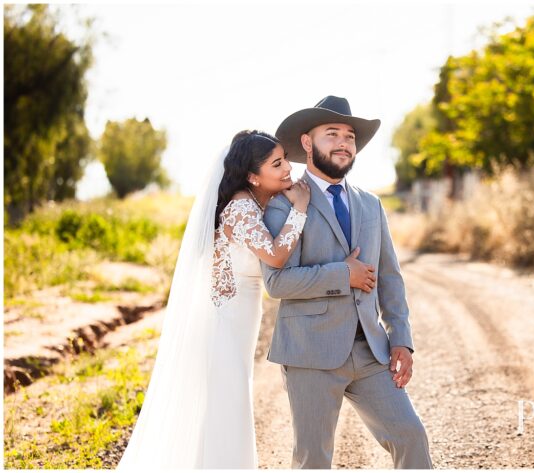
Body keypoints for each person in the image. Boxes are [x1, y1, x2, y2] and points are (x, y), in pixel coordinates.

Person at [118, 130, 312, 468]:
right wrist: (301, 208)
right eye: (276, 163)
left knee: (225, 405)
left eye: (285, 160)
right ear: (253, 176)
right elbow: (276, 256)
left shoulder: (252, 203)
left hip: (238, 322)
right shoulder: (240, 207)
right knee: (228, 405)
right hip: (223, 324)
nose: (287, 169)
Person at [262, 95, 432, 469]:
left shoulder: (371, 204)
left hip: (371, 352)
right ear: (307, 143)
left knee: (410, 436)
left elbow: (390, 277)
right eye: (332, 133)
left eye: (350, 136)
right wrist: (344, 274)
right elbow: (276, 282)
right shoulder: (283, 204)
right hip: (310, 353)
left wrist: (401, 338)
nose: (343, 143)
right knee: (314, 460)